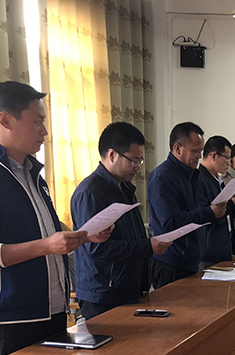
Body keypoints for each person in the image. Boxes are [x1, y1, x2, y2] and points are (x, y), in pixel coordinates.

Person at [0, 81, 111, 355]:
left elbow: (48, 234)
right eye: (37, 122)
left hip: (52, 310)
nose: (44, 131)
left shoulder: (33, 174)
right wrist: (46, 246)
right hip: (10, 318)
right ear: (5, 120)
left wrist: (84, 236)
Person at [71, 122, 171, 319]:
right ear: (112, 155)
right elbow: (97, 249)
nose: (138, 168)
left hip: (127, 289)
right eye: (133, 160)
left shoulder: (124, 188)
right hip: (103, 294)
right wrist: (148, 247)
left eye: (140, 160)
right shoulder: (91, 193)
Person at [148, 122, 227, 289]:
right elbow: (170, 221)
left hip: (191, 259)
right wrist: (209, 212)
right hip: (171, 261)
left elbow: (193, 211)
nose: (199, 156)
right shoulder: (162, 176)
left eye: (201, 151)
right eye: (195, 151)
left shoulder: (191, 175)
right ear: (177, 148)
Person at [197, 135, 235, 270]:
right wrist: (231, 204)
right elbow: (204, 213)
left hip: (223, 244)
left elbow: (226, 214)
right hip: (209, 249)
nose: (229, 163)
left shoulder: (217, 179)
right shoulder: (199, 179)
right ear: (213, 155)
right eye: (227, 158)